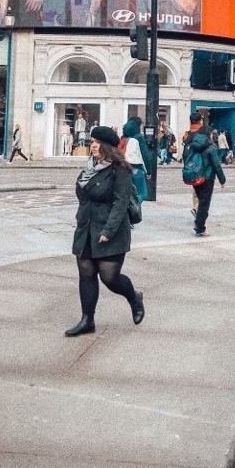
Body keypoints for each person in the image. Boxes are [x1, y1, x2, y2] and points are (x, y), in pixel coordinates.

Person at [65, 125, 144, 337]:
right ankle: (87, 320)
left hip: (111, 229)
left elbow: (121, 203)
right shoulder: (89, 167)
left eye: (96, 143)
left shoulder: (120, 169)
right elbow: (82, 195)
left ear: (107, 146)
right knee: (86, 273)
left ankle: (134, 297)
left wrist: (108, 230)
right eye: (92, 142)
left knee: (110, 277)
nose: (92, 146)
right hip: (87, 228)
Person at [183, 114, 226, 237]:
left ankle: (198, 223)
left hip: (196, 176)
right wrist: (222, 180)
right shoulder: (210, 147)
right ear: (209, 134)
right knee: (204, 203)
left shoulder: (193, 145)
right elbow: (216, 165)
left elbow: (186, 157)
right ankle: (200, 228)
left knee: (200, 200)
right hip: (207, 178)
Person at [120, 116, 153, 204]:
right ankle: (133, 207)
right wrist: (149, 171)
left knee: (128, 192)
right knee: (142, 193)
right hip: (136, 168)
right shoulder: (139, 137)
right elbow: (145, 155)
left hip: (124, 168)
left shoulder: (123, 138)